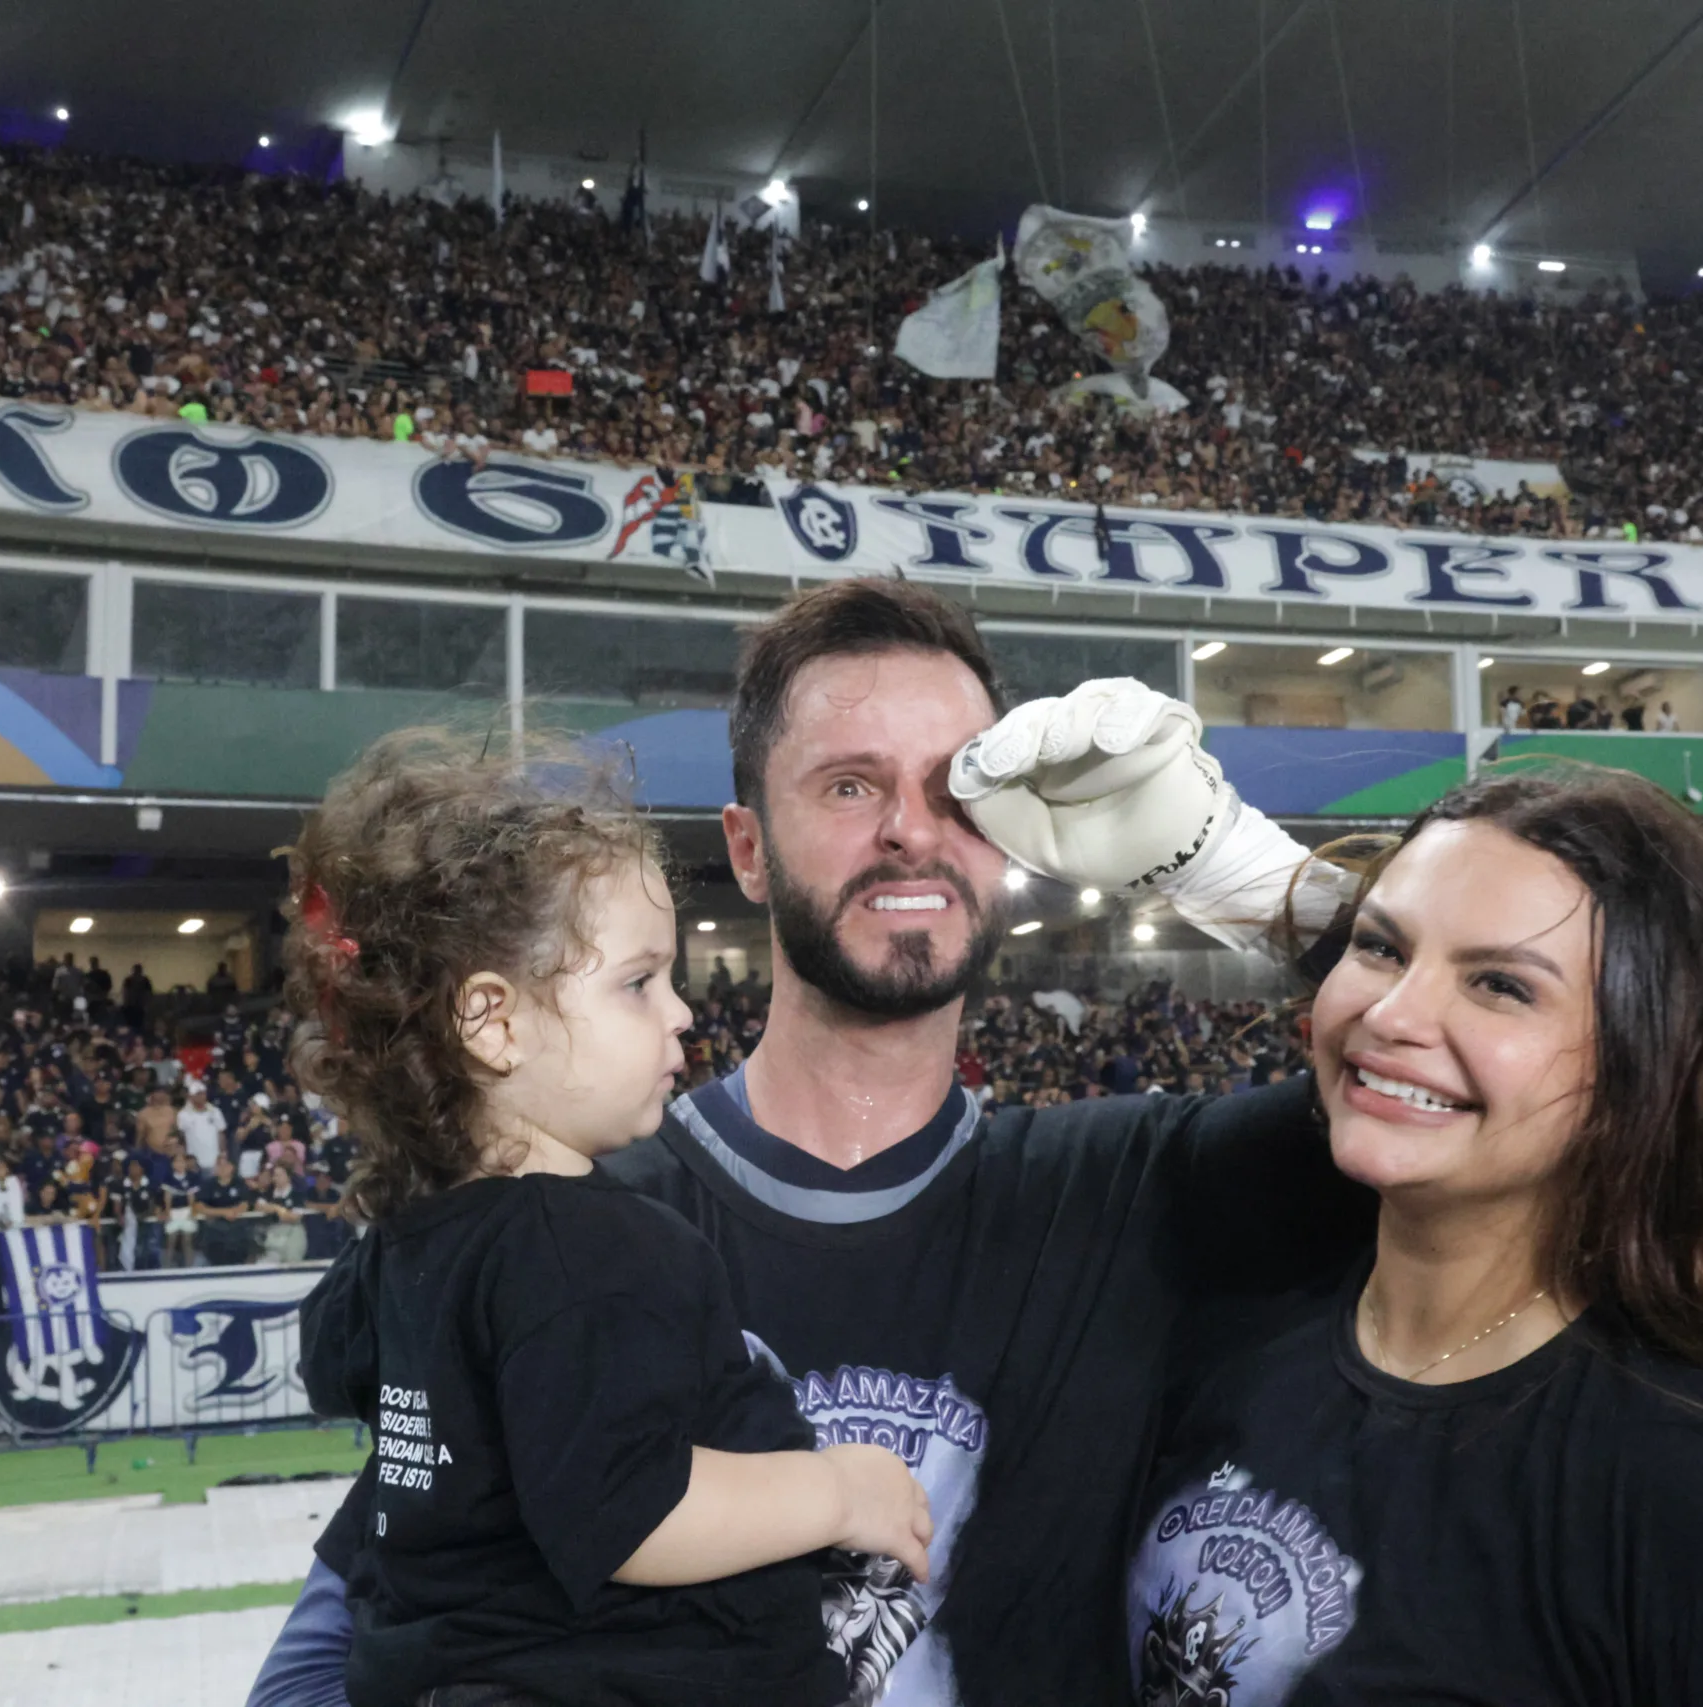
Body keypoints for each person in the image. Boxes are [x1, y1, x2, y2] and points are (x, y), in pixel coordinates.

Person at [254, 579, 1357, 1707]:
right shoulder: (548, 1216)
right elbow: (328, 1657)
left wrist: (1247, 879)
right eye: (848, 784)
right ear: (747, 848)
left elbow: (1528, 1081)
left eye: (959, 791)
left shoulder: (1137, 1191)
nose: (910, 830)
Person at [1127, 764, 1703, 1703]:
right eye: (1380, 947)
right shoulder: (1227, 1339)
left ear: (1642, 1069)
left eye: (1500, 984)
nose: (1393, 1013)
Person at [290, 732, 932, 1707]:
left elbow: (330, 1364)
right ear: (494, 1024)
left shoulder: (408, 1242)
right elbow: (632, 1511)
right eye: (638, 983)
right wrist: (843, 1491)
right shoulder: (591, 1245)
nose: (681, 1014)